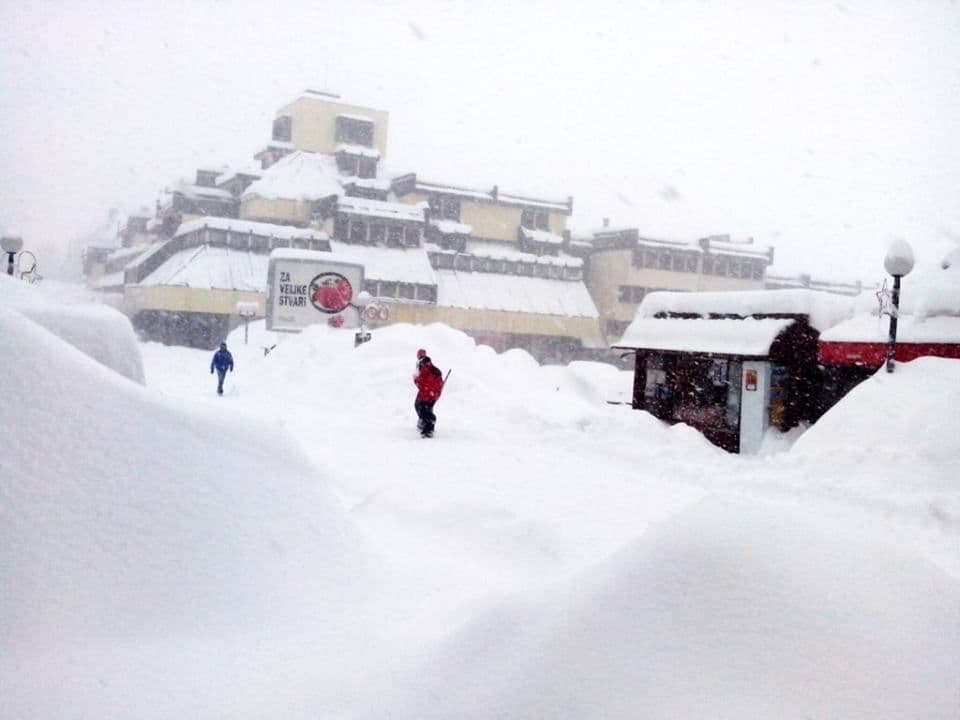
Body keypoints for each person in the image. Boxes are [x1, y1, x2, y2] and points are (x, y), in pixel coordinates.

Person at [413, 348, 444, 437]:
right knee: (425, 408)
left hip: (427, 392)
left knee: (421, 408)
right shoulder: (429, 365)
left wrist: (415, 379)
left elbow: (421, 380)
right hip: (432, 392)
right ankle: (425, 423)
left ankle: (428, 427)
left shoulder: (422, 364)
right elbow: (436, 378)